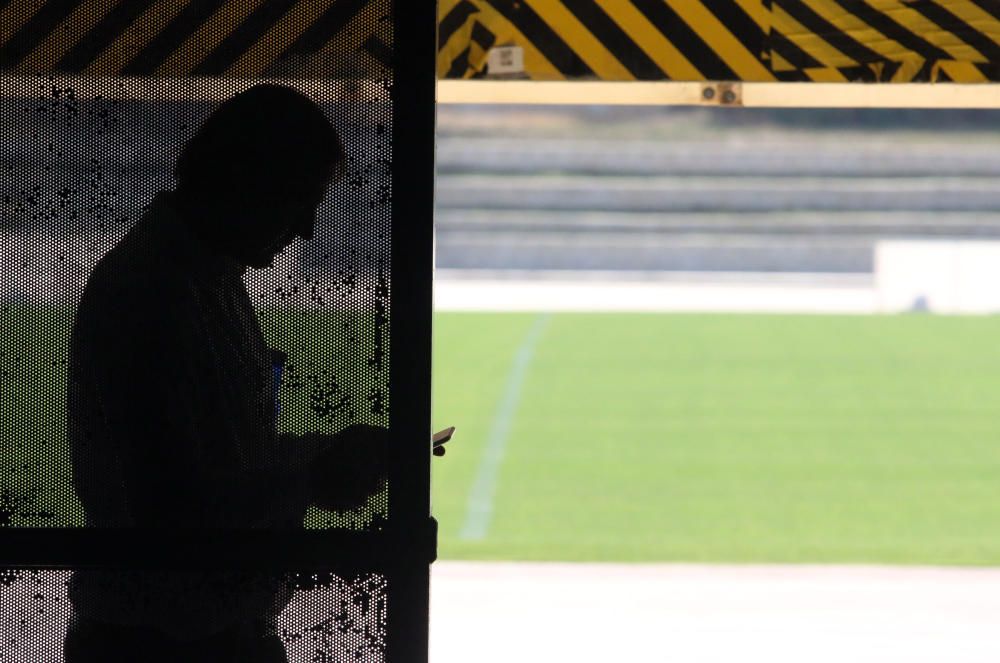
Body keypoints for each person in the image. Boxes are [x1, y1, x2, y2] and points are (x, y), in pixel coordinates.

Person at [64, 84, 399, 662]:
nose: (307, 231)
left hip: (193, 630)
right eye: (299, 203)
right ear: (249, 187)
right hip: (172, 641)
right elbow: (170, 502)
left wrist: (318, 458)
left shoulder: (199, 280)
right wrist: (316, 478)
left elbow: (215, 459)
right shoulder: (156, 295)